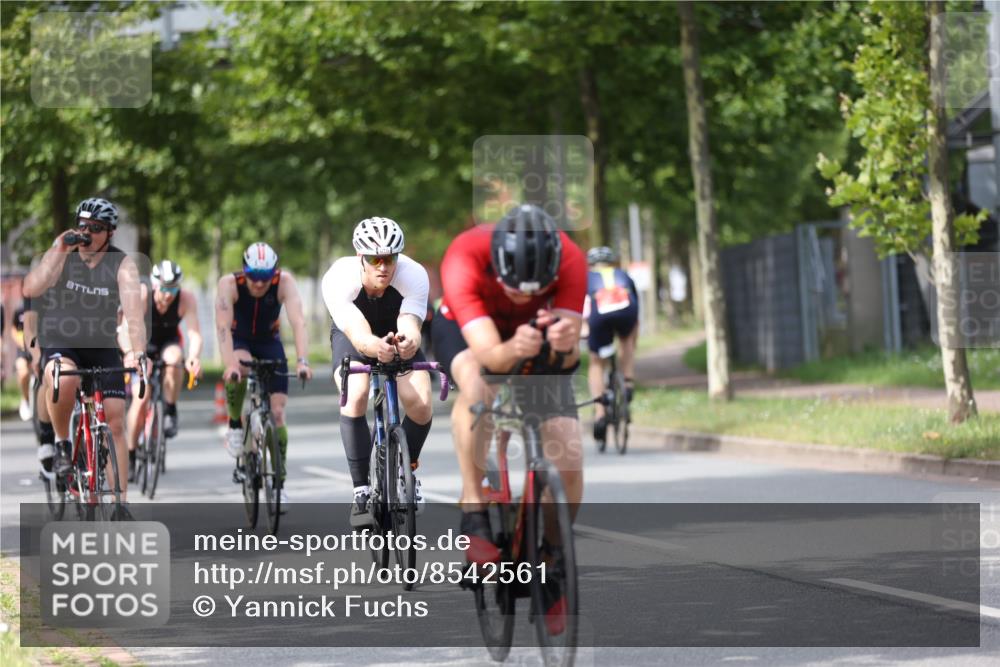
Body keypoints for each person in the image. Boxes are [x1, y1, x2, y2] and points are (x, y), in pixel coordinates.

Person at [432, 204, 587, 559]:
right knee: (478, 384)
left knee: (568, 452)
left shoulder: (572, 260)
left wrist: (564, 345)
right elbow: (491, 358)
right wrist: (515, 348)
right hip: (467, 330)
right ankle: (474, 508)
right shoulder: (464, 256)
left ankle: (553, 552)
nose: (524, 296)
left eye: (536, 289)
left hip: (533, 330)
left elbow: (567, 361)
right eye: (513, 287)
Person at [22, 197, 146, 508]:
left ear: (110, 233)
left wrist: (138, 353)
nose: (87, 233)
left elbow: (133, 315)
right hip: (61, 341)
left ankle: (119, 505)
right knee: (62, 378)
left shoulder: (122, 264)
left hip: (102, 346)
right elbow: (32, 289)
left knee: (115, 420)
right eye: (83, 226)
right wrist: (58, 250)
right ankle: (62, 444)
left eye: (96, 228)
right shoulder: (63, 255)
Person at [321, 216, 432, 526]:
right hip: (353, 334)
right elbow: (359, 334)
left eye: (390, 258)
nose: (383, 266)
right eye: (374, 259)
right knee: (356, 394)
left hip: (395, 330)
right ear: (360, 256)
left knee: (422, 402)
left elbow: (410, 323)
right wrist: (374, 347)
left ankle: (405, 469)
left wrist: (409, 342)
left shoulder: (414, 274)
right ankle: (361, 491)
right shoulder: (339, 277)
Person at [215, 242, 312, 505]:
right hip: (239, 339)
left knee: (278, 413)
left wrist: (302, 361)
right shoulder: (229, 284)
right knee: (241, 367)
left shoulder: (284, 282)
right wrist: (230, 365)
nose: (259, 283)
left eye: (265, 277)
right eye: (253, 276)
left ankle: (279, 483)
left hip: (269, 341)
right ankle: (235, 424)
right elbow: (222, 327)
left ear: (274, 273)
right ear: (244, 270)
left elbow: (298, 322)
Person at [125, 260, 203, 477]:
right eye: (164, 289)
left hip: (169, 343)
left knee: (176, 359)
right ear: (154, 285)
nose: (169, 295)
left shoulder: (186, 299)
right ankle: (131, 454)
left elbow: (194, 333)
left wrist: (194, 357)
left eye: (173, 289)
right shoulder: (143, 295)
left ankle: (169, 409)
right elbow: (131, 328)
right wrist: (133, 354)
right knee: (141, 399)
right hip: (143, 345)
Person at [583, 246, 639, 443]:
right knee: (627, 340)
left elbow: (583, 310)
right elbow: (636, 308)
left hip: (598, 313)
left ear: (590, 265)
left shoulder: (587, 278)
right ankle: (628, 382)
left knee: (596, 361)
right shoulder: (623, 275)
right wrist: (632, 341)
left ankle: (600, 413)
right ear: (612, 263)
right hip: (626, 311)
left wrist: (585, 332)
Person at [12, 301, 33, 421]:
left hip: (37, 346)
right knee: (23, 372)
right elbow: (13, 328)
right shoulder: (19, 309)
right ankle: (25, 399)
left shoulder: (43, 306)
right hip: (23, 348)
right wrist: (20, 342)